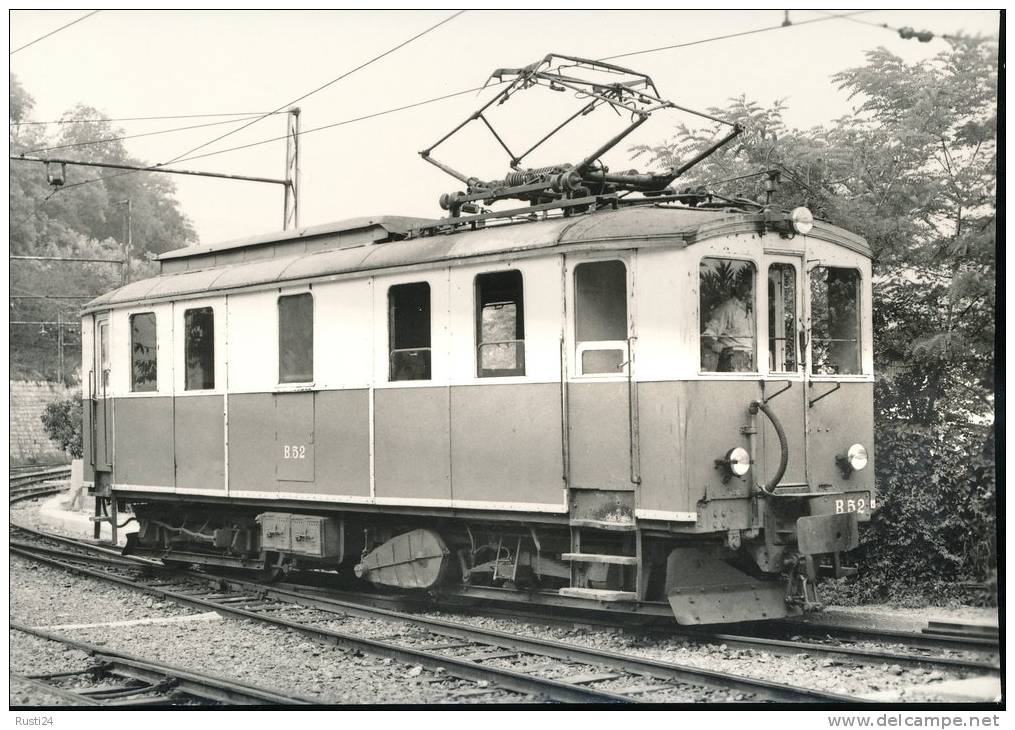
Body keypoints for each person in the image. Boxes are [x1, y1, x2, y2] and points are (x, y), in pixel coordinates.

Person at [701, 278, 755, 372]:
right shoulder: (727, 308)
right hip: (734, 363)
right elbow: (708, 336)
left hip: (752, 362)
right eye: (747, 285)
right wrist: (722, 350)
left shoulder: (750, 311)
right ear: (739, 287)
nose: (751, 290)